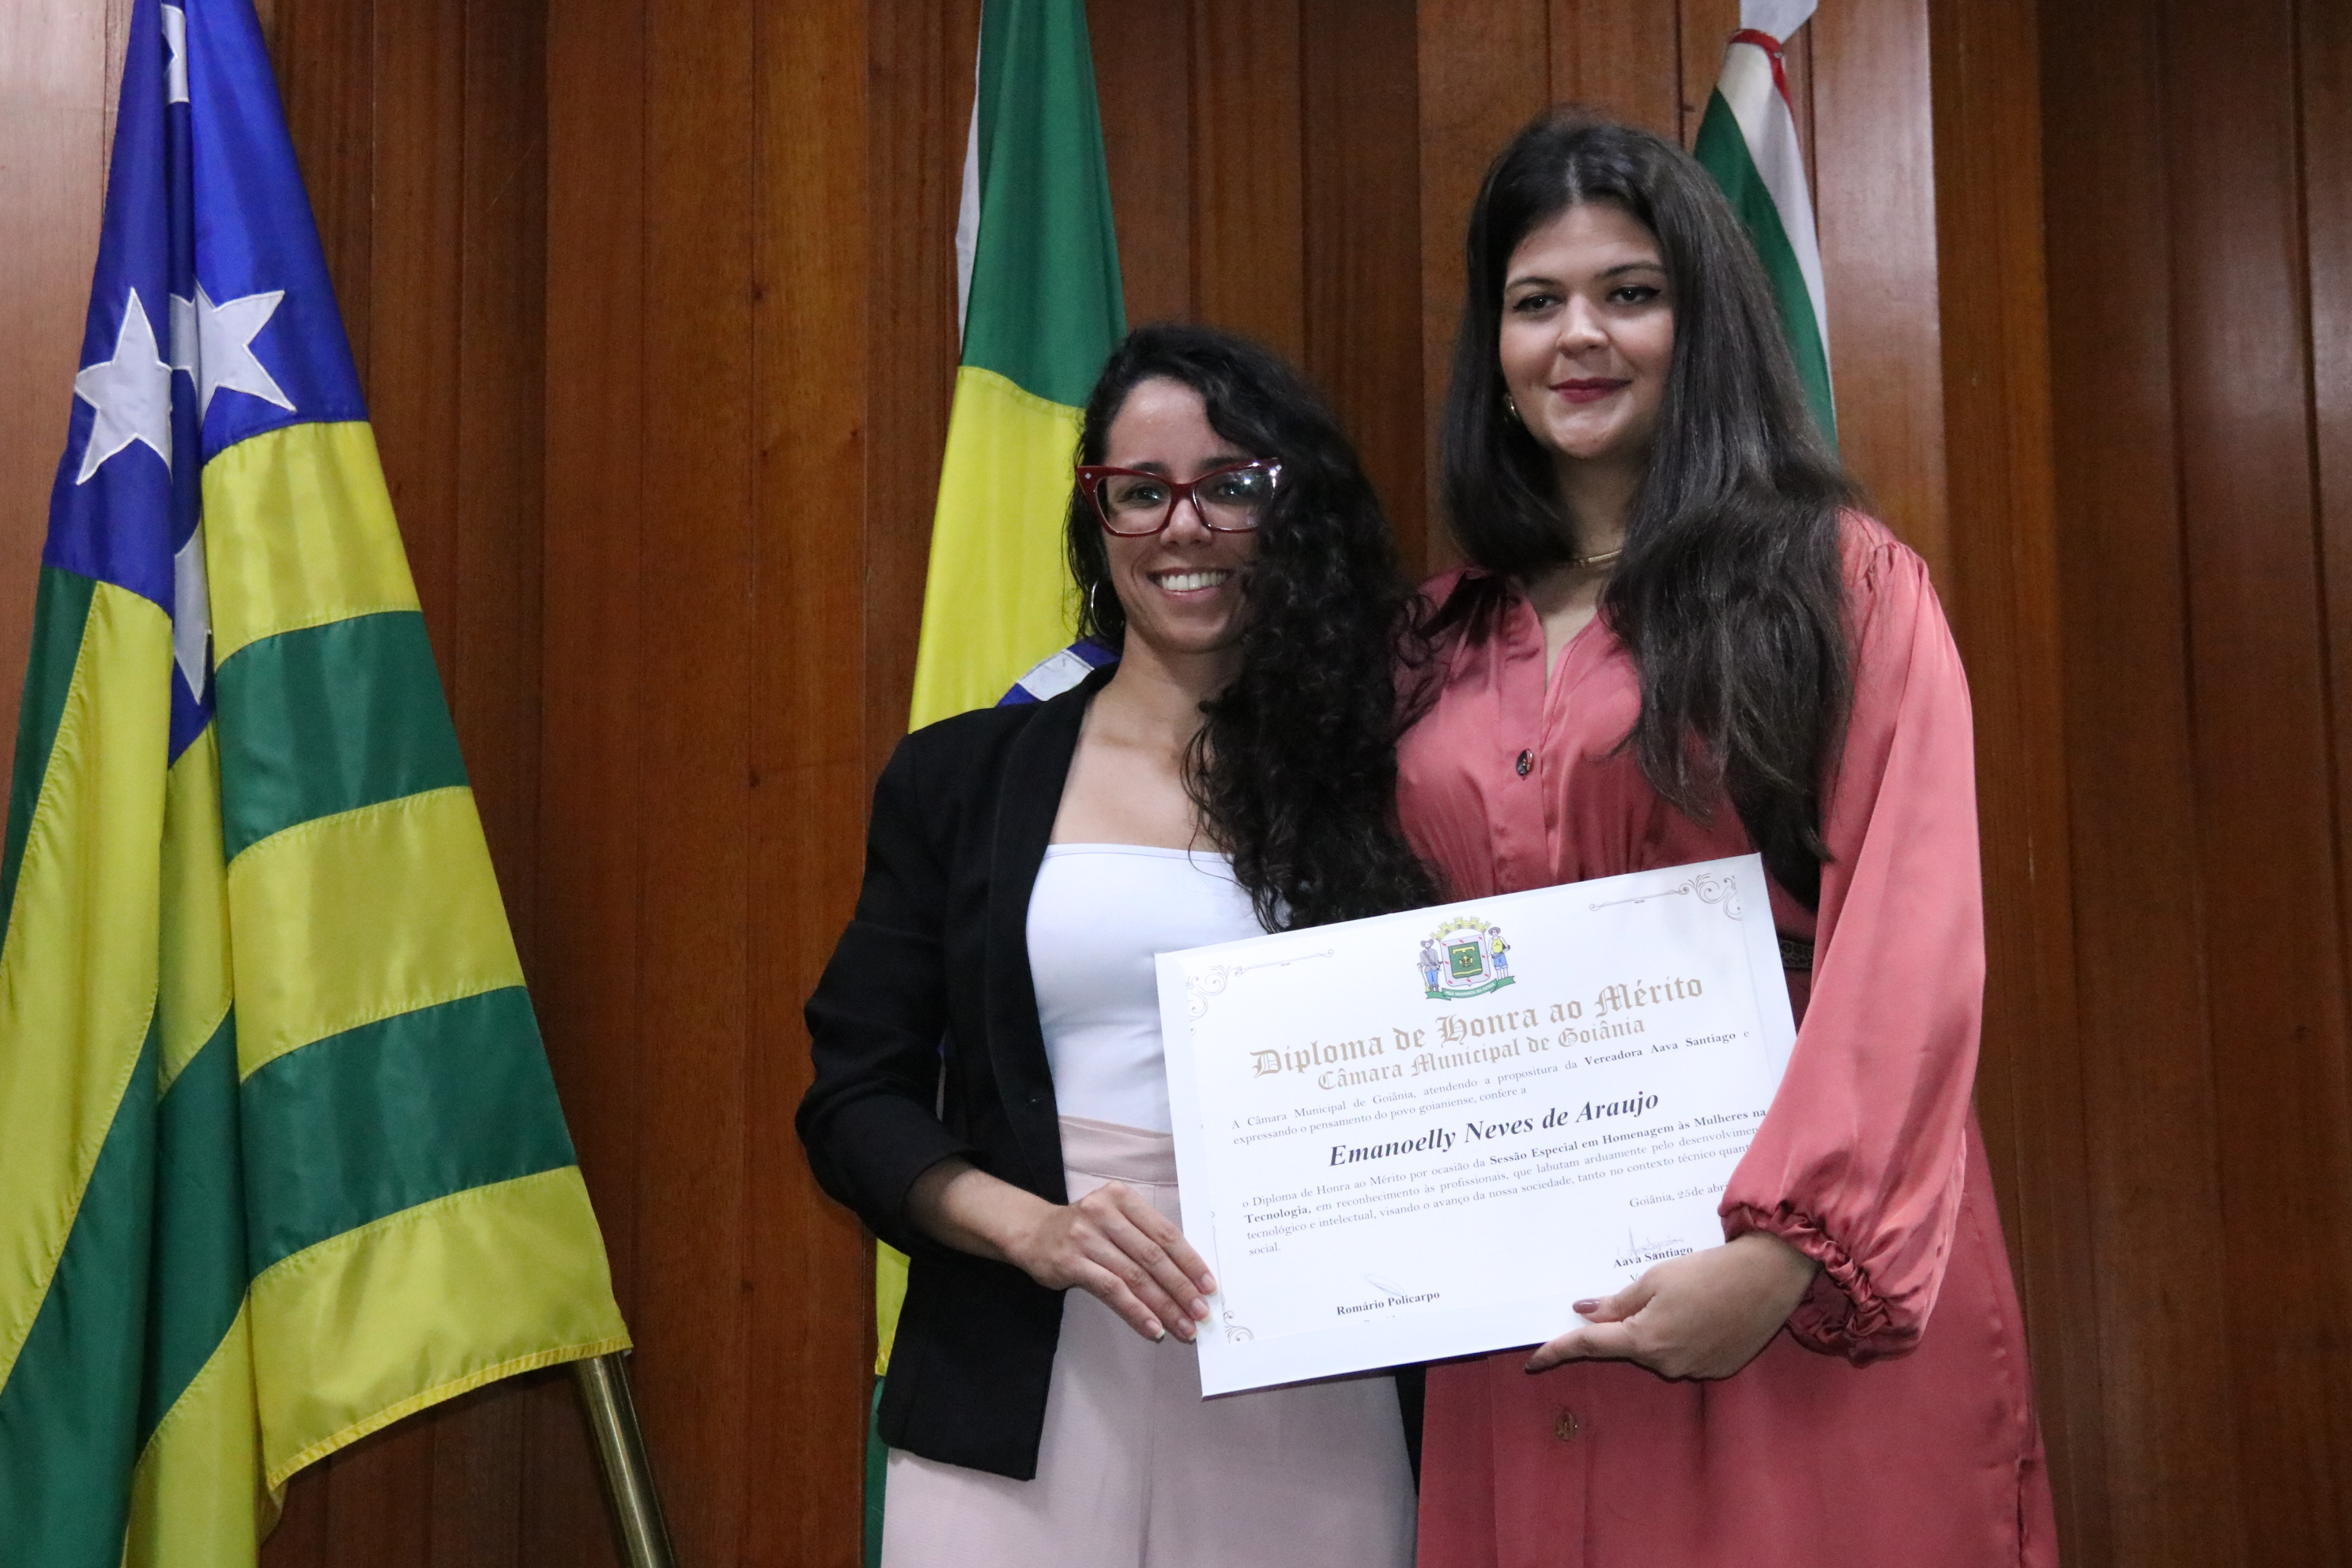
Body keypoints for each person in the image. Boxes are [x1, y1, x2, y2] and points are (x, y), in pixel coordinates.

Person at [1397, 111, 2058, 1566]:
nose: (1580, 335)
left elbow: (1910, 941)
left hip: (1793, 1293)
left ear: (1701, 325)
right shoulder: (1426, 643)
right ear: (1492, 350)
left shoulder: (1839, 586)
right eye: (1536, 301)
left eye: (1630, 292)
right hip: (1512, 1289)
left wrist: (1781, 1257)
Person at [798, 323, 1429, 1567]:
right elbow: (853, 1099)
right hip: (1016, 1374)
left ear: (1293, 510)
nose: (1182, 528)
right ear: (1097, 519)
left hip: (1314, 1373)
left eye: (1228, 486)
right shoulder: (959, 779)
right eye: (1140, 492)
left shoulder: (1391, 777)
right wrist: (1030, 1229)